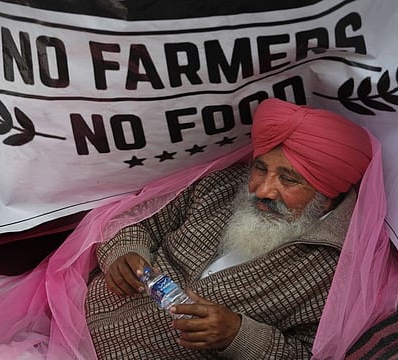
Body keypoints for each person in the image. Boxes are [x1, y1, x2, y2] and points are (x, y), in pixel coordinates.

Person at [85, 98, 372, 359]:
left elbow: (310, 355)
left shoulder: (335, 272)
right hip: (71, 316)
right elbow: (137, 217)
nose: (262, 190)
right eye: (261, 169)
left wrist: (238, 335)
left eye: (288, 180)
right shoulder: (221, 185)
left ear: (326, 199)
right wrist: (124, 252)